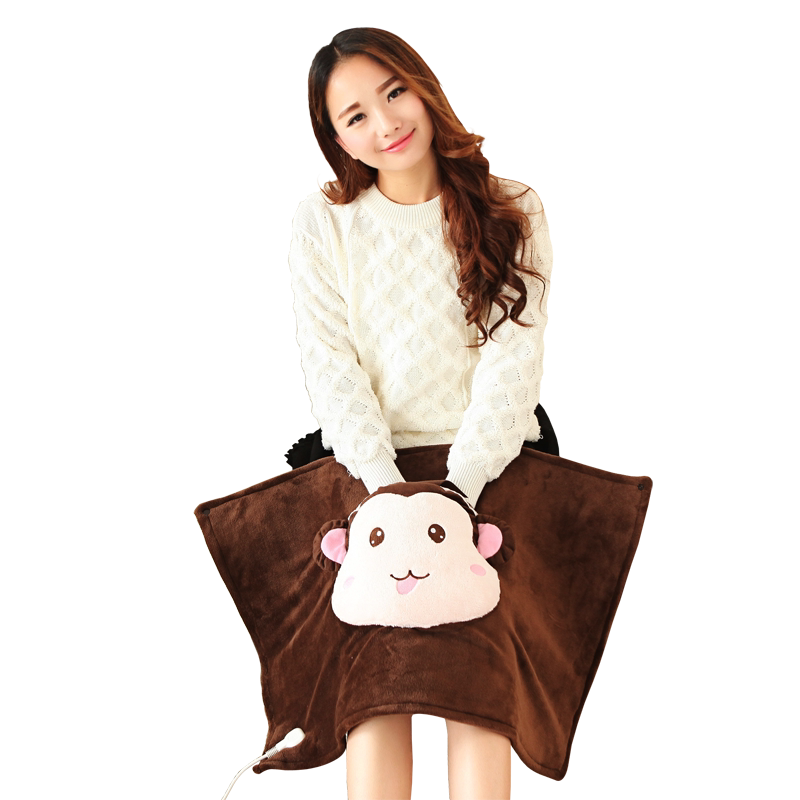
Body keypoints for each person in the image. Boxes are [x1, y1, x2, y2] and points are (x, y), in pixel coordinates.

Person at [289, 28, 553, 800]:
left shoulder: (511, 208)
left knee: (482, 709)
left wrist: (458, 492)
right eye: (355, 116)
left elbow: (513, 366)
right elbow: (331, 368)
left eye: (394, 92)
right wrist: (387, 495)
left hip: (488, 479)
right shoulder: (324, 223)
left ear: (423, 85)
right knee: (376, 707)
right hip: (371, 481)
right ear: (337, 138)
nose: (385, 123)